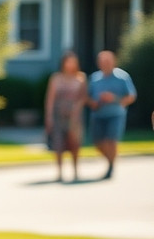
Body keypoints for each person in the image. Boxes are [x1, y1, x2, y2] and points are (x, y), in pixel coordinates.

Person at [86, 49, 138, 180]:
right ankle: (110, 161)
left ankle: (110, 167)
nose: (105, 64)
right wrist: (93, 103)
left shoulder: (122, 77)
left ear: (113, 62)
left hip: (115, 114)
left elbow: (131, 96)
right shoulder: (94, 78)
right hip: (98, 114)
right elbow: (87, 97)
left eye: (107, 61)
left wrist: (114, 99)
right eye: (102, 61)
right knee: (98, 143)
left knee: (111, 141)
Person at [43, 50, 87, 182]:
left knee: (75, 143)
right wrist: (48, 116)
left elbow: (83, 97)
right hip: (58, 115)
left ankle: (76, 171)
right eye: (68, 62)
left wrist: (76, 110)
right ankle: (60, 172)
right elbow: (50, 98)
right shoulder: (56, 78)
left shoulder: (81, 77)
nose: (70, 65)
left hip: (74, 116)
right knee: (58, 144)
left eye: (72, 62)